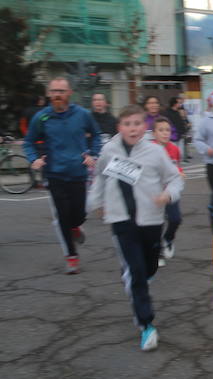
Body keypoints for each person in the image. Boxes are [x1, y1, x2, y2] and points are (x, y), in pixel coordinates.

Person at [88, 105, 183, 350]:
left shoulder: (155, 152)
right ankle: (146, 324)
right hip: (121, 221)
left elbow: (174, 178)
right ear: (119, 127)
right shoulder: (109, 150)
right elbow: (99, 176)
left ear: (145, 126)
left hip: (151, 220)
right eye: (127, 124)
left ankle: (135, 276)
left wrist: (168, 195)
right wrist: (95, 203)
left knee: (149, 266)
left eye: (137, 123)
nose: (132, 128)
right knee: (138, 272)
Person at [23, 77, 101, 274]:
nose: (57, 94)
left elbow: (96, 134)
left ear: (69, 94)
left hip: (78, 173)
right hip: (55, 175)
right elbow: (29, 142)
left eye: (61, 91)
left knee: (79, 214)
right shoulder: (42, 117)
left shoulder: (82, 115)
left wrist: (93, 154)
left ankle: (76, 227)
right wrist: (34, 159)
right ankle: (72, 257)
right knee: (63, 216)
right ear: (49, 94)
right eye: (54, 91)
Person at [151, 117, 184, 266]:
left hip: (170, 191)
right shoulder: (149, 150)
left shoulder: (174, 149)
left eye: (168, 130)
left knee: (175, 219)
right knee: (155, 224)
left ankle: (168, 239)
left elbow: (177, 167)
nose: (165, 133)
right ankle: (157, 254)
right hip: (154, 193)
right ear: (154, 133)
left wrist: (180, 172)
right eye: (161, 130)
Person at [163, 96, 191, 161]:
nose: (180, 104)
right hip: (172, 137)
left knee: (180, 154)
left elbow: (181, 122)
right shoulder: (167, 112)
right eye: (179, 103)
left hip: (180, 136)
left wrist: (185, 128)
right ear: (175, 104)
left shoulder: (178, 112)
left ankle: (177, 167)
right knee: (172, 154)